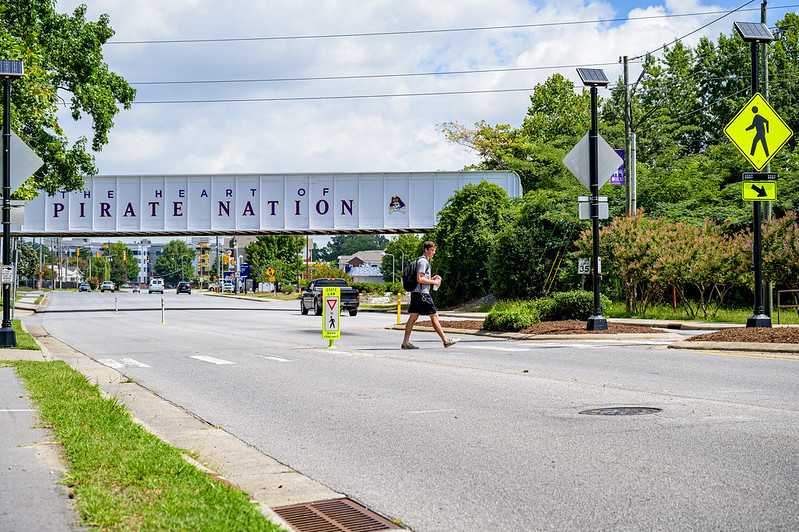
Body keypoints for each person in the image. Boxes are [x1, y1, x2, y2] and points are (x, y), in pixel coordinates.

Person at [401, 241, 459, 349]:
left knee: (413, 317)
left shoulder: (421, 260)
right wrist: (434, 282)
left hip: (416, 292)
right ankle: (445, 340)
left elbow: (421, 279)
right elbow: (420, 278)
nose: (434, 253)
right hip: (422, 294)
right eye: (432, 250)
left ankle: (406, 342)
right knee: (434, 316)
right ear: (426, 250)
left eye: (434, 251)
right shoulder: (423, 262)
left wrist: (432, 279)